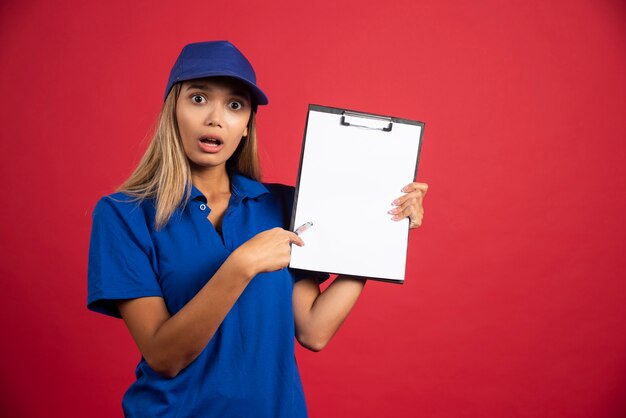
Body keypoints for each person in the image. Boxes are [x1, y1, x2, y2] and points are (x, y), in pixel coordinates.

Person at [87, 40, 428, 418]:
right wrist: (241, 266)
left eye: (235, 105)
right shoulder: (123, 214)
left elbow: (314, 330)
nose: (216, 118)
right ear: (173, 110)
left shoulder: (281, 205)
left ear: (246, 126)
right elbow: (164, 357)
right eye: (199, 99)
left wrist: (378, 229)